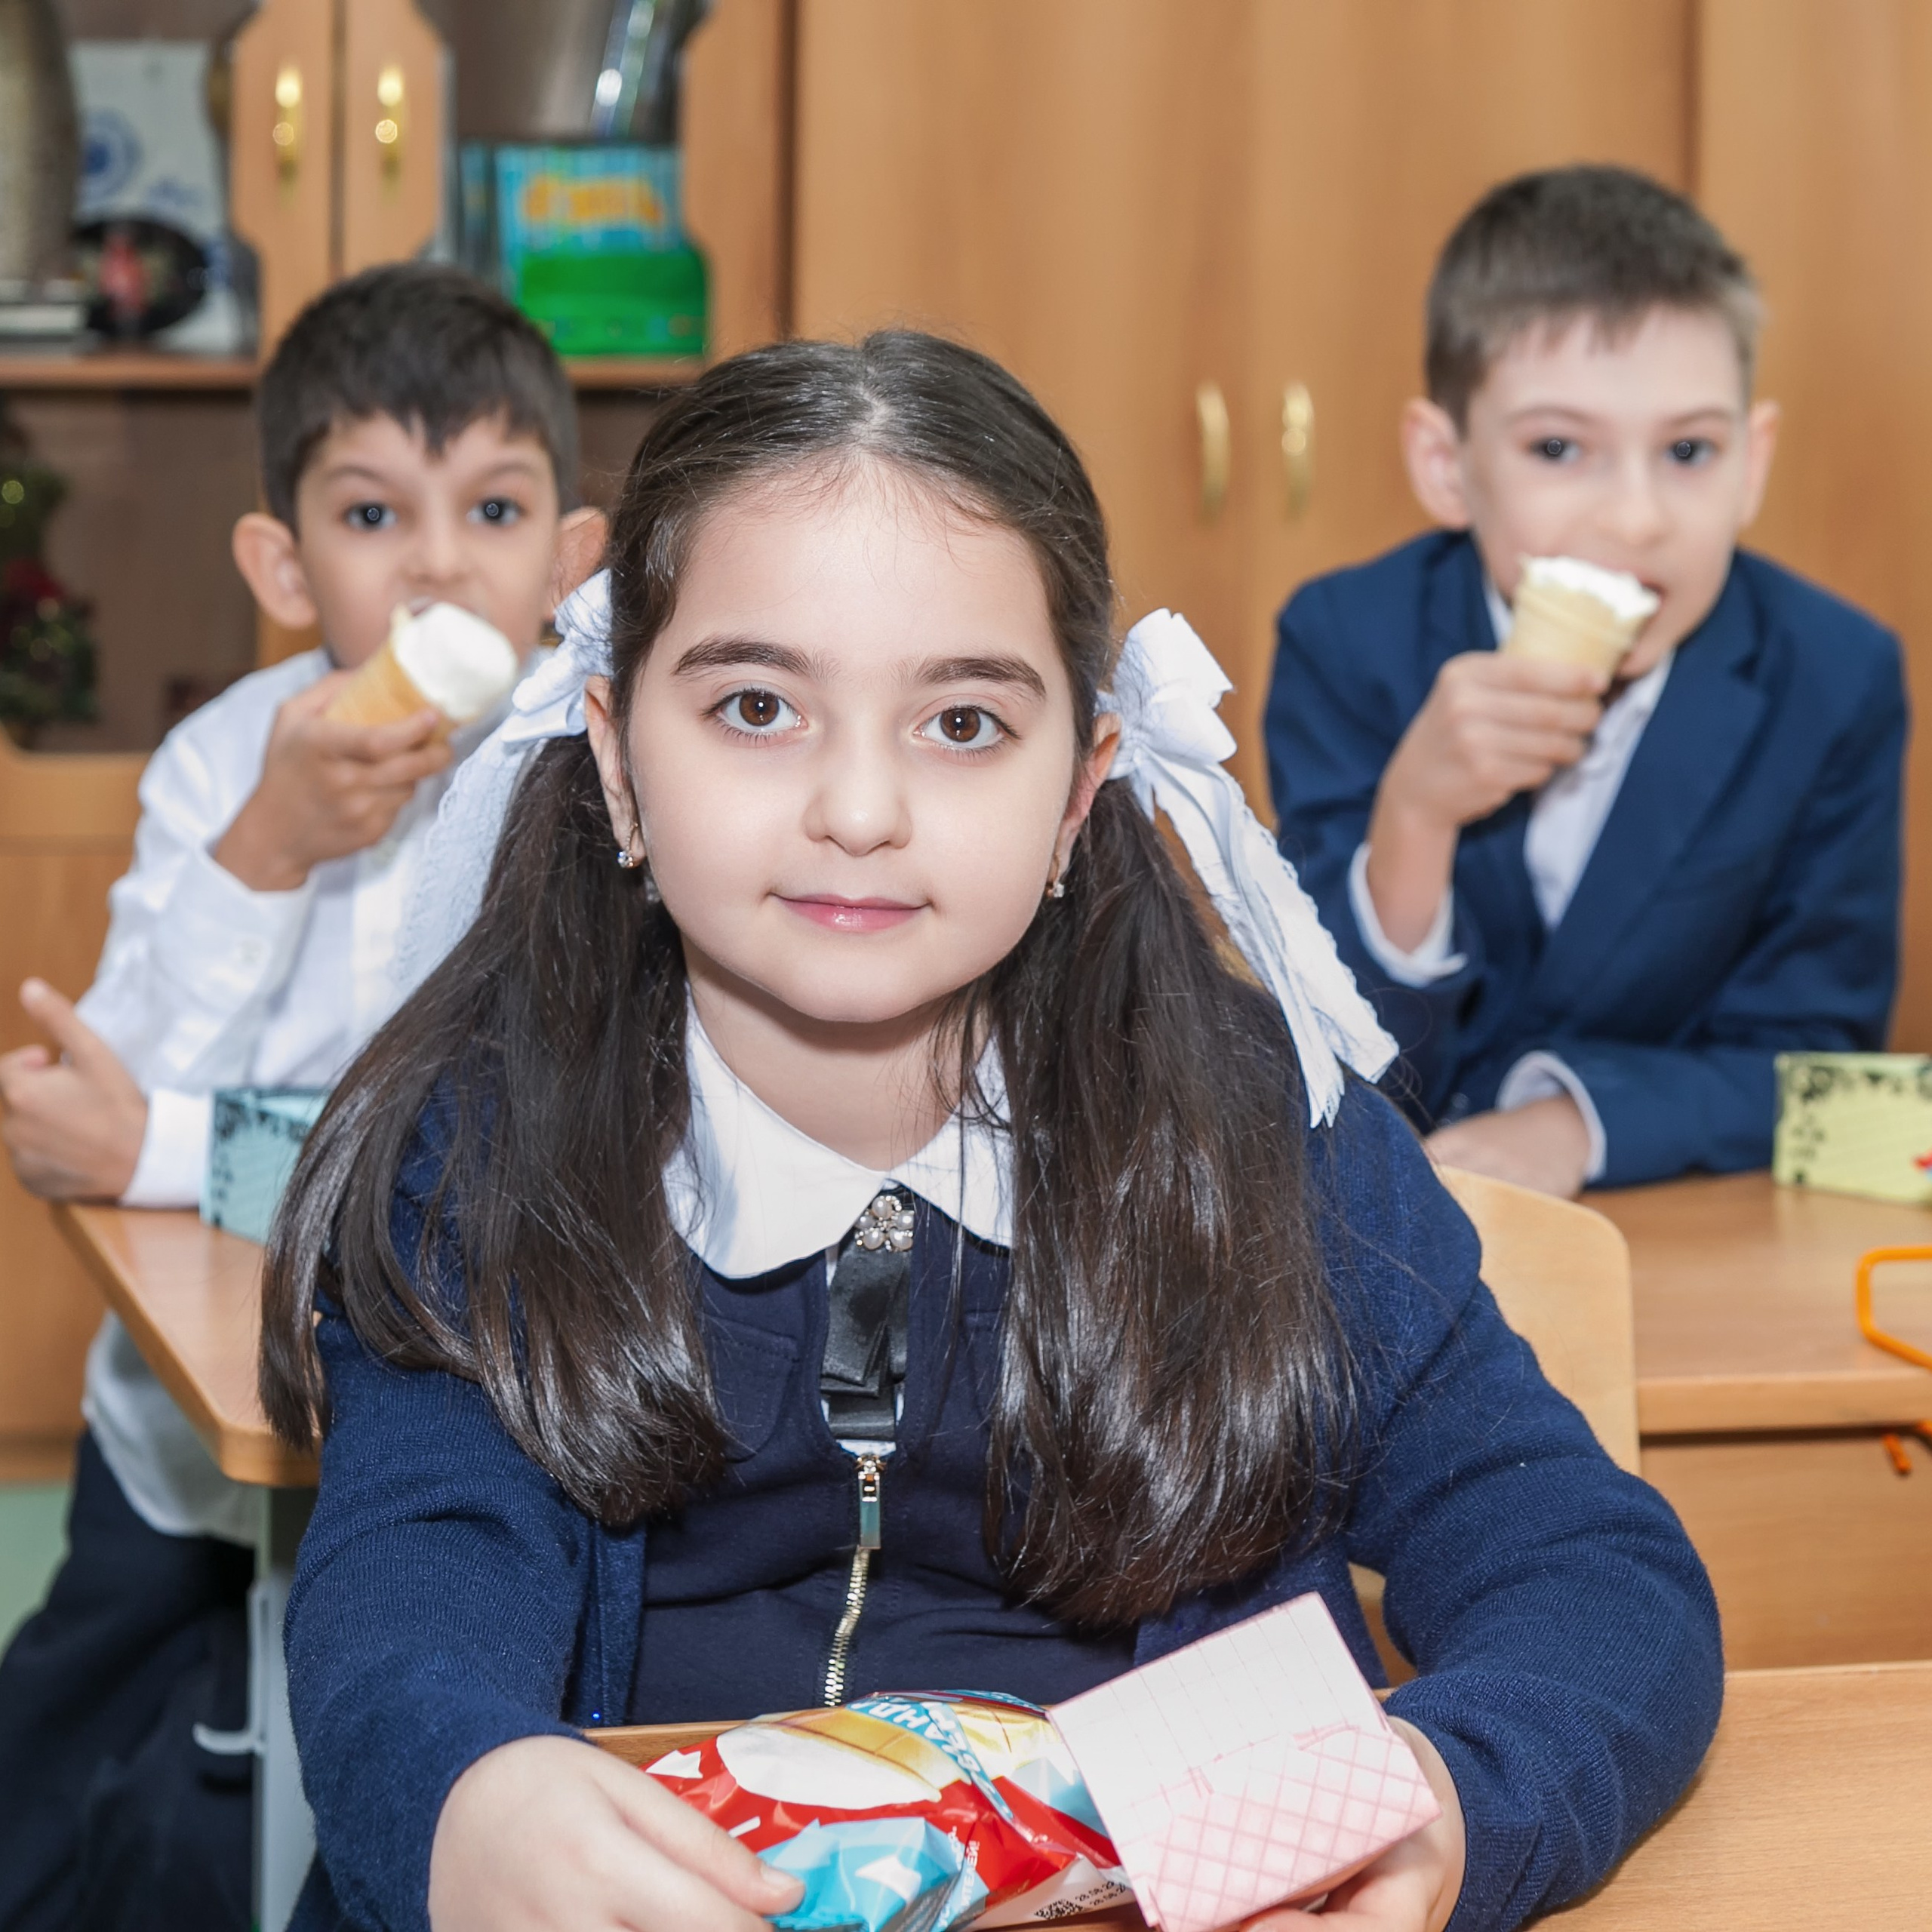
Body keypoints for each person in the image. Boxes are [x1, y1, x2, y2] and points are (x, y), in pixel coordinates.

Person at [260, 332, 1719, 1932]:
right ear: (615, 760)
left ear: (1081, 786)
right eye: (756, 705)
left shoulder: (1260, 1131)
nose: (860, 808)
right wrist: (468, 1797)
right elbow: (406, 1601)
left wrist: (1452, 1798)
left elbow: (1589, 1570)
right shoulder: (486, 1149)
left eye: (960, 723)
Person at [0, 263, 604, 1932]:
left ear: (569, 561)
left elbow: (478, 1155)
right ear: (281, 565)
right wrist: (267, 851)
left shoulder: (588, 773)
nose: (435, 561)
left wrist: (167, 1149)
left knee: (405, 1752)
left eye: (491, 506)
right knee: (66, 1735)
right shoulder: (224, 761)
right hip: (184, 1434)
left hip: (479, 1426)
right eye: (370, 512)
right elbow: (93, 1101)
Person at [1266, 165, 1906, 1196]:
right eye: (1560, 447)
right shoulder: (1347, 641)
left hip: (1675, 1220)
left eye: (1690, 450)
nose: (1640, 517)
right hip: (1390, 1222)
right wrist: (1416, 818)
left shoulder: (1835, 678)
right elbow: (1326, 1054)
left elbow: (1815, 1055)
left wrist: (1578, 1122)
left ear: (1755, 461)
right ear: (1446, 464)